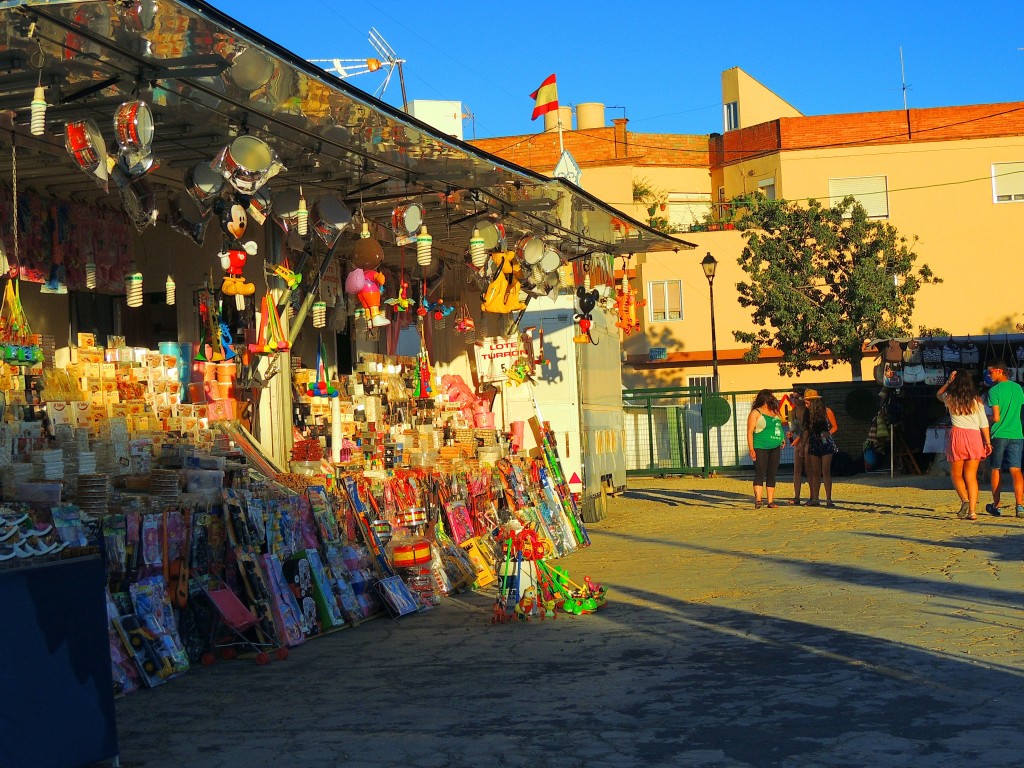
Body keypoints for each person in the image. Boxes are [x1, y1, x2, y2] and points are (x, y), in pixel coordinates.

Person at [936, 370, 991, 520]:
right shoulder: (977, 401)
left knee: (956, 474)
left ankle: (965, 499)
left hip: (957, 436)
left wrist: (948, 382)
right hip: (974, 437)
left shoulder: (950, 398)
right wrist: (987, 442)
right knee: (971, 477)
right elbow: (983, 423)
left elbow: (938, 395)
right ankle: (972, 512)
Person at [984, 361, 1024, 517]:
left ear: (999, 371)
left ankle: (997, 505)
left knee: (996, 469)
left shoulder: (994, 391)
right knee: (1016, 470)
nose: (989, 375)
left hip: (999, 434)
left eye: (991, 372)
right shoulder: (1018, 388)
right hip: (1017, 433)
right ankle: (1020, 505)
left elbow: (996, 417)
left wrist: (985, 419)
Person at [746, 389, 786, 509]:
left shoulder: (775, 412)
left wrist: (782, 438)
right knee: (760, 472)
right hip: (760, 446)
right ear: (765, 398)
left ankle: (770, 501)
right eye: (770, 397)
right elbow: (750, 431)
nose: (772, 398)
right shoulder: (756, 413)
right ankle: (758, 499)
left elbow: (779, 427)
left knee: (772, 474)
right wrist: (751, 448)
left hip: (775, 447)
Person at [801, 389, 839, 507]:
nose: (805, 404)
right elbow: (807, 430)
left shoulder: (826, 411)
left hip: (826, 443)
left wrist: (828, 433)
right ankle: (815, 498)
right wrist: (803, 446)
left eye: (807, 402)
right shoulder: (807, 414)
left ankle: (828, 499)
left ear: (814, 402)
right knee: (815, 472)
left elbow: (834, 426)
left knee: (825, 471)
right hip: (814, 442)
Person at [786, 388, 808, 504]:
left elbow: (808, 429)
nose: (794, 400)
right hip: (799, 441)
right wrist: (791, 433)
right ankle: (797, 497)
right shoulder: (793, 411)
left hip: (809, 440)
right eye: (792, 397)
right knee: (797, 470)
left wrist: (799, 438)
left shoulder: (807, 411)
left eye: (796, 397)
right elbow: (794, 427)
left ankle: (813, 496)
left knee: (810, 469)